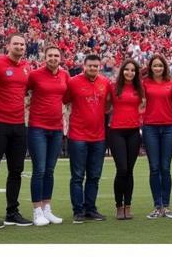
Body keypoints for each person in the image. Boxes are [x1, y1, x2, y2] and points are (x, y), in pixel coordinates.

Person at [0, 34, 32, 228]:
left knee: (16, 170)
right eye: (16, 43)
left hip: (19, 124)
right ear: (8, 46)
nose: (19, 46)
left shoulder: (27, 68)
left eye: (22, 44)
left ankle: (12, 212)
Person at [25, 45, 70, 226]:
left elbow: (66, 98)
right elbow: (23, 93)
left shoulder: (65, 75)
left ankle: (46, 209)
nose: (53, 58)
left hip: (56, 128)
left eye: (56, 55)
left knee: (50, 170)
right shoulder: (34, 75)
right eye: (50, 55)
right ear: (45, 57)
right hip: (37, 127)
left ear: (61, 57)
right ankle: (37, 211)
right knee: (40, 170)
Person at [65, 53, 111, 223]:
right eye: (90, 65)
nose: (93, 68)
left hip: (98, 136)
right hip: (78, 135)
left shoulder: (105, 82)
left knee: (94, 175)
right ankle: (78, 210)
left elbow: (109, 103)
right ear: (84, 65)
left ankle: (90, 208)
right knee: (77, 175)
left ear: (99, 67)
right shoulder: (73, 82)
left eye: (96, 66)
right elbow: (64, 100)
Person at [141, 54, 172, 219]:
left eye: (160, 66)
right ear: (151, 67)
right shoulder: (144, 83)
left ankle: (167, 206)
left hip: (169, 127)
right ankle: (157, 205)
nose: (157, 68)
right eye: (155, 66)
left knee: (166, 167)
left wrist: (170, 109)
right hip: (150, 128)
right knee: (154, 168)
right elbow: (140, 101)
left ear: (165, 68)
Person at [107, 59, 144, 220]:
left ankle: (128, 206)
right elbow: (106, 106)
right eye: (127, 69)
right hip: (116, 132)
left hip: (134, 132)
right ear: (122, 71)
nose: (130, 72)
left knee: (129, 170)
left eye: (133, 70)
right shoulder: (113, 86)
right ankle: (118, 206)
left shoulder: (140, 88)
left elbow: (145, 105)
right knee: (121, 169)